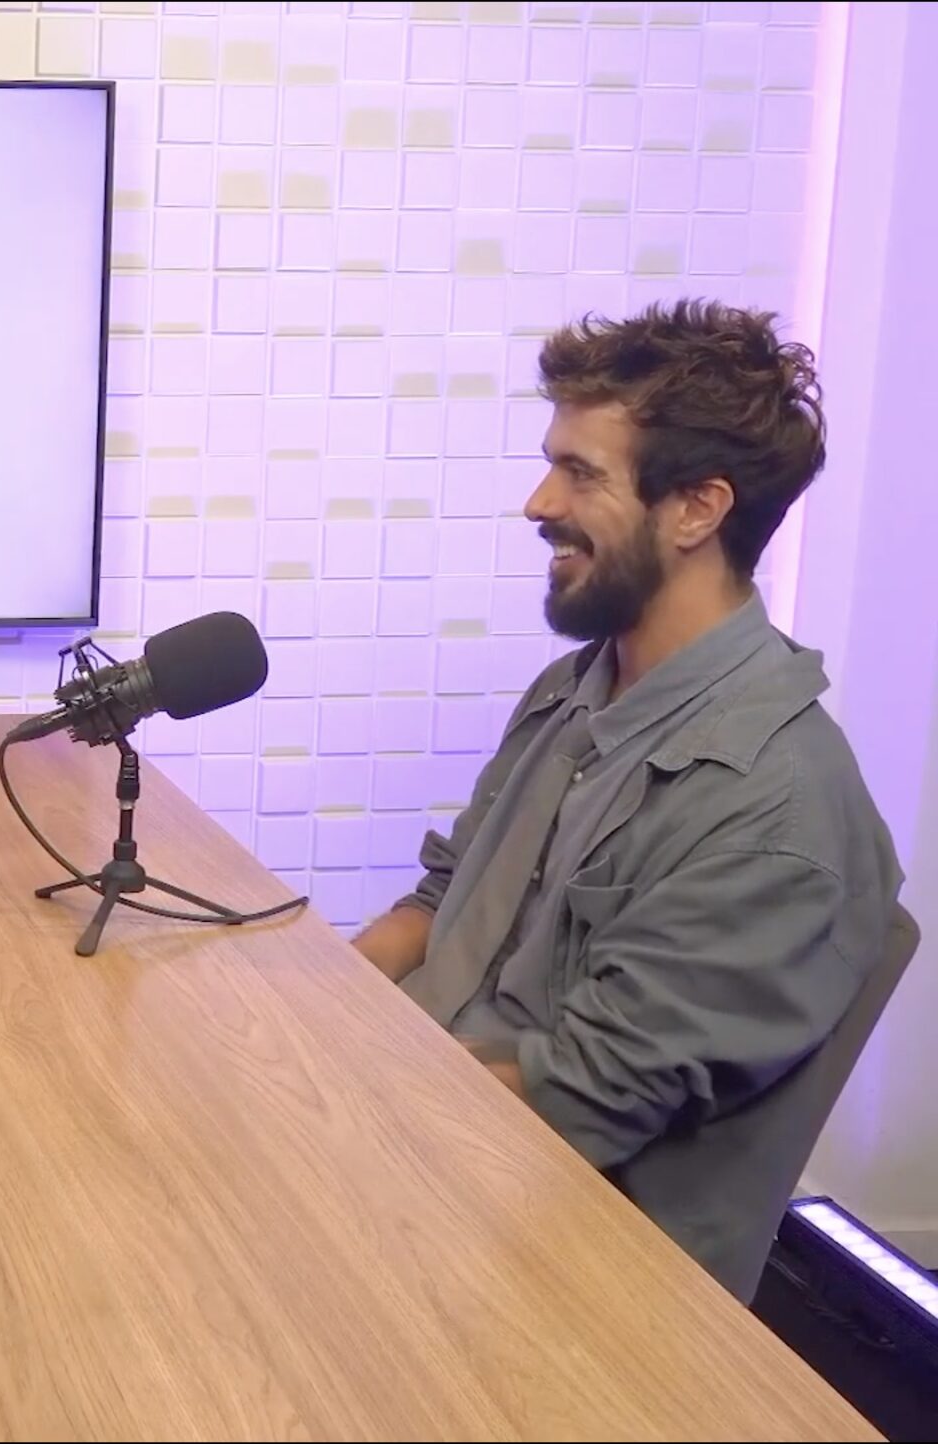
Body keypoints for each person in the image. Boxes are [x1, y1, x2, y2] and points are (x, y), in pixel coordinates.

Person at [351, 300, 902, 1302]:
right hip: (424, 1163)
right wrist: (315, 1008)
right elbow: (442, 903)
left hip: (553, 1270)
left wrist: (336, 1104)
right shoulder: (577, 689)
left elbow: (573, 1104)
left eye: (581, 473)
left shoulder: (774, 815)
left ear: (695, 510)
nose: (537, 502)